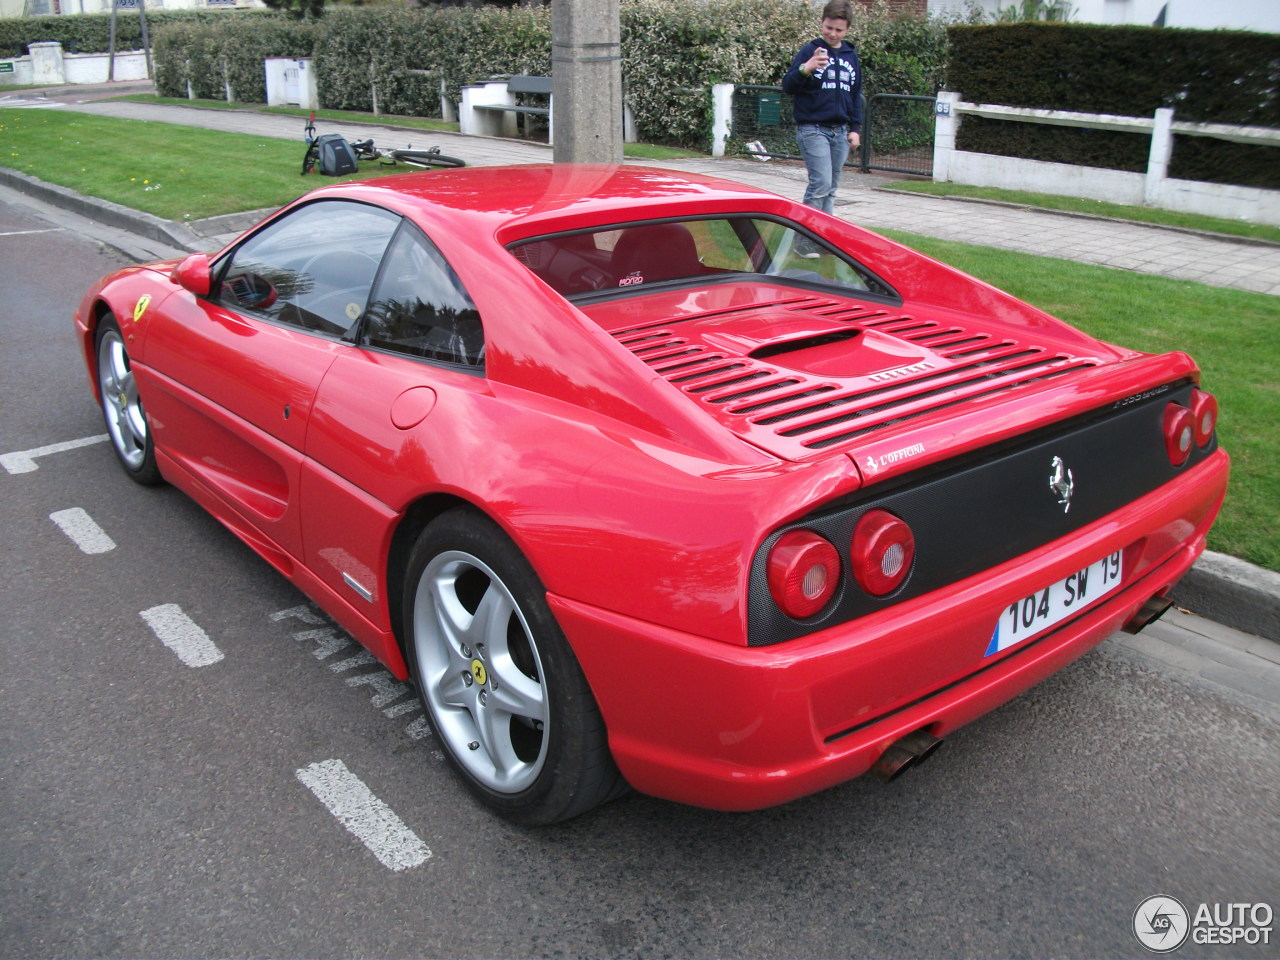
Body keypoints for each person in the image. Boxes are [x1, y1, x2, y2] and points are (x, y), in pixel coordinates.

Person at [782, 0, 863, 219]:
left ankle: (825, 240)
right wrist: (805, 69)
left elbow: (855, 96)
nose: (833, 34)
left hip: (840, 133)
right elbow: (788, 86)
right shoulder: (809, 51)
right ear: (822, 23)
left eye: (839, 30)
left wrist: (855, 129)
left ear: (847, 30)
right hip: (813, 129)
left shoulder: (851, 57)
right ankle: (805, 241)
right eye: (829, 27)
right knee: (820, 185)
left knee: (831, 189)